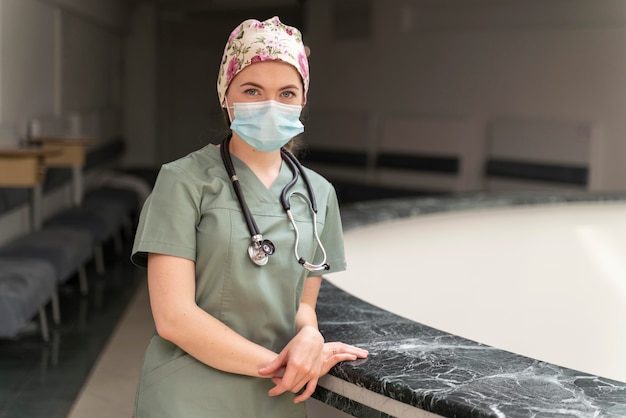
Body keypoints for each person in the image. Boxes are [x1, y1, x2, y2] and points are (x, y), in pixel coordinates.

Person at [130, 16, 368, 418]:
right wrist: (284, 367)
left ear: (302, 100)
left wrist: (310, 336)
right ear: (226, 94)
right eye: (253, 90)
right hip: (190, 395)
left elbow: (301, 304)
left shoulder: (319, 195)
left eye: (287, 93)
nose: (271, 105)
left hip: (275, 399)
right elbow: (174, 318)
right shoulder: (183, 181)